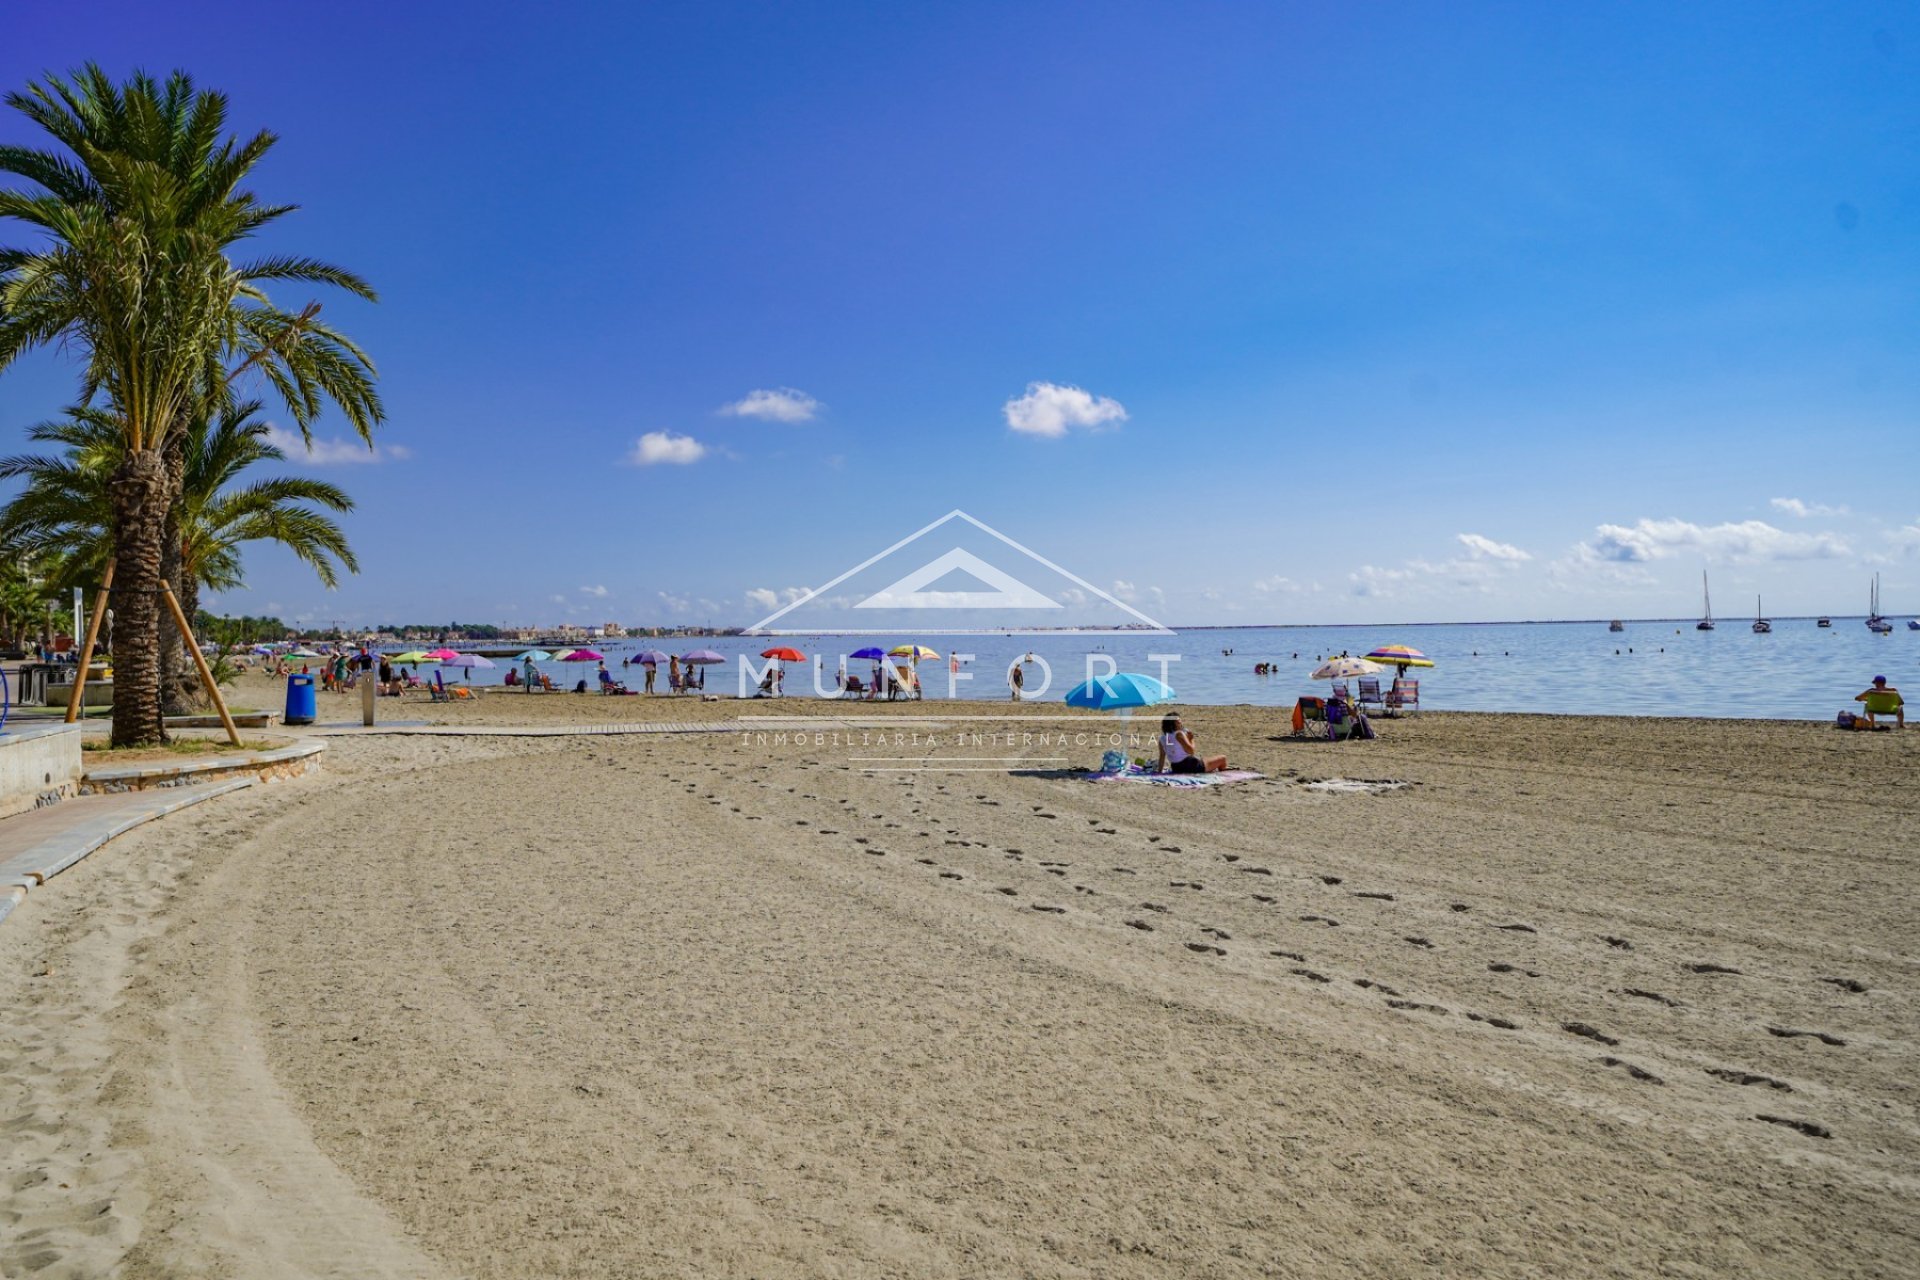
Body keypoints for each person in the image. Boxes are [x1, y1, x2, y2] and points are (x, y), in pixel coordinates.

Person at [1157, 714, 1228, 774]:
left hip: (1176, 768)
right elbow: (1191, 751)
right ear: (1174, 724)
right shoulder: (1179, 734)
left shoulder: (1162, 738)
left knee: (1205, 759)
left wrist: (1159, 772)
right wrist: (1191, 739)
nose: (1181, 723)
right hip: (1191, 766)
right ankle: (1223, 774)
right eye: (1179, 722)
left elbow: (1162, 757)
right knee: (1223, 758)